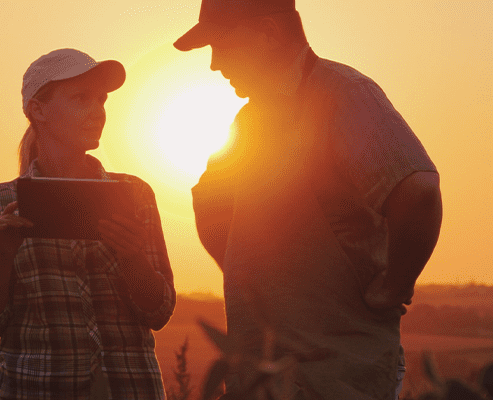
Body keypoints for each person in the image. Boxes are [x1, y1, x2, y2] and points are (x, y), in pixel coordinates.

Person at [173, 0, 442, 399]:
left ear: (268, 33)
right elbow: (208, 204)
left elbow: (418, 193)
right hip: (258, 378)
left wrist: (395, 287)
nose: (214, 64)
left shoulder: (343, 95)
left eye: (222, 46)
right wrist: (247, 279)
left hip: (337, 377)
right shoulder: (250, 122)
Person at [0, 48, 176, 400]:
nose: (98, 112)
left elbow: (159, 311)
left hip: (129, 389)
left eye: (101, 100)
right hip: (30, 389)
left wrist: (133, 257)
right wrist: (3, 259)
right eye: (81, 98)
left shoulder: (135, 194)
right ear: (38, 110)